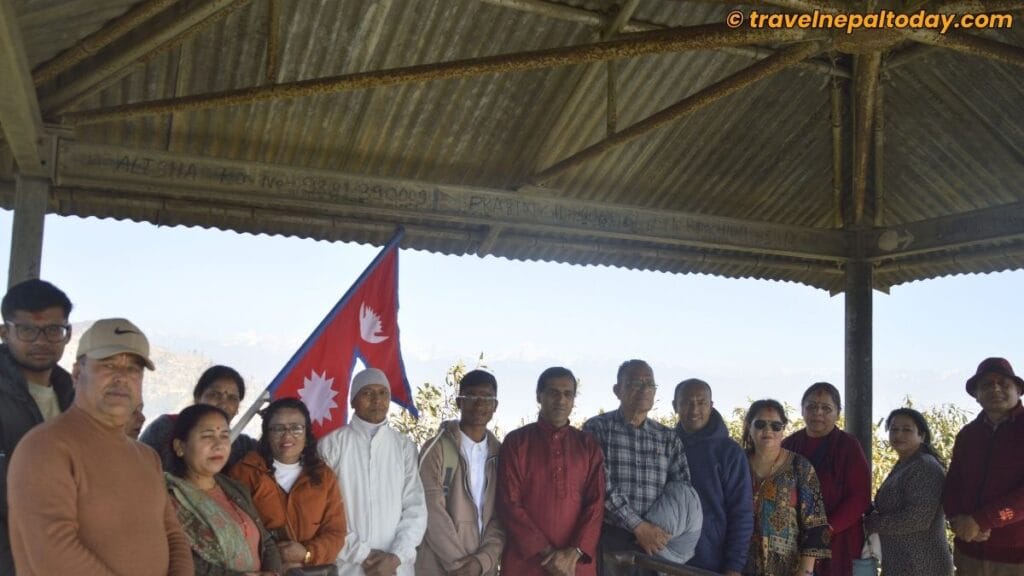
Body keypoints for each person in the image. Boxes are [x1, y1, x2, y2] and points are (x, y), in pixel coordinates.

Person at [7, 318, 193, 575]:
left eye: (134, 369)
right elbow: (53, 554)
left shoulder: (147, 457)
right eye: (108, 364)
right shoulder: (44, 447)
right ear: (76, 372)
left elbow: (173, 534)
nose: (121, 377)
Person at [582, 359, 692, 576]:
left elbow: (681, 491)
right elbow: (599, 483)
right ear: (617, 390)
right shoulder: (597, 428)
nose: (644, 390)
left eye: (650, 384)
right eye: (635, 383)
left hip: (656, 540)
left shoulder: (667, 437)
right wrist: (638, 526)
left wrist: (661, 532)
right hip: (612, 536)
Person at [319, 367, 427, 575]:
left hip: (395, 568)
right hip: (348, 567)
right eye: (367, 393)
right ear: (352, 401)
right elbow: (325, 513)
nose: (376, 399)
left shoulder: (404, 446)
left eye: (383, 392)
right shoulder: (331, 445)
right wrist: (363, 555)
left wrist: (396, 557)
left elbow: (415, 508)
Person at [499, 366, 604, 576]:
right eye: (553, 392)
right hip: (527, 561)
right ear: (539, 396)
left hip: (575, 564)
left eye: (568, 394)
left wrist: (572, 553)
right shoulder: (517, 442)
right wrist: (547, 553)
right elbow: (508, 503)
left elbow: (596, 502)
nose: (561, 400)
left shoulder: (587, 445)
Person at [0, 279, 74, 574]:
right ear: (5, 333)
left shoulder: (74, 393)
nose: (41, 341)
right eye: (28, 330)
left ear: (68, 334)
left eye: (54, 330)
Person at [229, 397, 348, 571]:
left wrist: (307, 554)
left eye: (296, 428)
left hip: (309, 571)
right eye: (278, 429)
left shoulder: (324, 476)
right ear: (267, 435)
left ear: (307, 434)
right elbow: (234, 528)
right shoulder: (245, 472)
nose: (287, 435)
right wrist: (273, 560)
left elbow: (335, 532)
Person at [165, 403, 282, 575]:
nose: (219, 444)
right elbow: (178, 559)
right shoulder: (168, 497)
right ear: (180, 447)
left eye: (224, 436)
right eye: (207, 436)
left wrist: (273, 572)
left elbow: (266, 541)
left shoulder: (235, 488)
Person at [417, 369, 505, 575]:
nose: (479, 403)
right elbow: (431, 511)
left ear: (495, 406)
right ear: (459, 402)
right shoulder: (436, 448)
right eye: (471, 396)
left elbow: (502, 517)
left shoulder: (501, 455)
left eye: (487, 397)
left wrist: (482, 561)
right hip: (438, 565)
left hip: (482, 569)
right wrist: (460, 566)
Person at [944, 357, 1024, 573]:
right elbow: (952, 483)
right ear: (977, 396)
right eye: (986, 385)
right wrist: (957, 519)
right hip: (969, 551)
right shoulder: (968, 435)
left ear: (1018, 390)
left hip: (1017, 557)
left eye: (1003, 383)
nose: (995, 389)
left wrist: (982, 520)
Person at [781, 382, 870, 576]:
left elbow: (859, 496)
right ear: (802, 410)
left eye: (826, 408)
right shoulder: (789, 445)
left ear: (838, 413)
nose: (818, 413)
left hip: (838, 539)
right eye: (811, 406)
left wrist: (827, 529)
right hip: (794, 539)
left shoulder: (848, 446)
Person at [673, 378, 753, 576]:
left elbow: (741, 512)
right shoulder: (665, 444)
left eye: (701, 402)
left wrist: (734, 566)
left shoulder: (729, 452)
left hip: (712, 562)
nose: (694, 409)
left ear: (711, 406)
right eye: (687, 402)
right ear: (675, 406)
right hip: (664, 560)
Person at [742, 399, 830, 576]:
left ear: (783, 429)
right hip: (739, 566)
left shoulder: (800, 467)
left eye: (776, 425)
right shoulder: (736, 464)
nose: (768, 430)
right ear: (749, 427)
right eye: (760, 424)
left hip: (788, 569)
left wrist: (805, 571)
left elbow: (816, 524)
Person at [863, 408, 952, 575]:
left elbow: (917, 519)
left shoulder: (925, 466)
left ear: (922, 435)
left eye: (907, 430)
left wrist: (871, 523)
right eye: (894, 429)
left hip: (923, 563)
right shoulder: (905, 464)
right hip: (901, 561)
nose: (899, 435)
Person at [141, 364, 259, 470]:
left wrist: (271, 420)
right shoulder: (166, 427)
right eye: (214, 394)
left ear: (238, 407)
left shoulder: (242, 445)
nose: (223, 404)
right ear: (198, 397)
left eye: (232, 398)